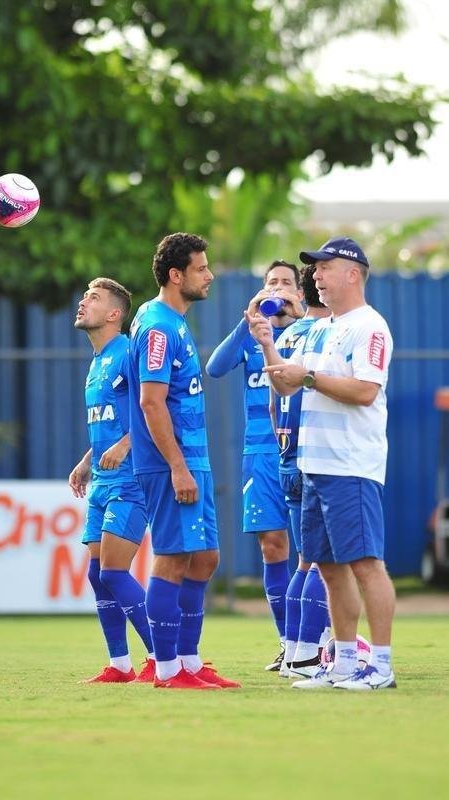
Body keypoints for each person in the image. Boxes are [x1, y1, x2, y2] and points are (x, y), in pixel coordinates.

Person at [246, 236, 396, 690]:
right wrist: (269, 346)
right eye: (314, 269)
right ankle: (345, 662)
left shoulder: (369, 326)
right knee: (328, 568)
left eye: (324, 268)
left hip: (350, 465)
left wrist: (307, 375)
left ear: (353, 274)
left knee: (366, 563)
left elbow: (366, 391)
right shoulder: (326, 328)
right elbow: (287, 387)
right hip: (314, 465)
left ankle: (382, 665)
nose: (315, 276)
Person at [128, 232, 240, 689]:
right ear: (177, 276)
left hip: (193, 458)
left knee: (206, 558)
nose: (209, 274)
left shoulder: (173, 320)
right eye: (201, 268)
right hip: (170, 463)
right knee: (173, 558)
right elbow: (151, 403)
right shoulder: (157, 326)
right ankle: (167, 668)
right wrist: (176, 466)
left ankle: (189, 662)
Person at [206, 260, 301, 673]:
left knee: (314, 553)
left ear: (300, 291)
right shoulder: (252, 335)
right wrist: (248, 323)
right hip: (260, 454)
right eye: (271, 282)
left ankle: (319, 640)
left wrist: (298, 317)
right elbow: (215, 367)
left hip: (304, 450)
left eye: (286, 283)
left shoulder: (308, 332)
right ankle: (287, 644)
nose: (277, 288)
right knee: (272, 545)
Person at [70, 277, 155, 684]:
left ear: (114, 314)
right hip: (103, 480)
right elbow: (109, 421)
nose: (84, 302)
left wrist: (126, 445)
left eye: (94, 298)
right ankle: (120, 665)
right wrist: (87, 460)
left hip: (130, 480)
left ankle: (162, 656)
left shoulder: (126, 353)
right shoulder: (97, 360)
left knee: (115, 572)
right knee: (96, 573)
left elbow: (155, 409)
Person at [270, 265, 332, 678]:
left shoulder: (287, 335)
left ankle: (294, 650)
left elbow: (275, 401)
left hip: (287, 457)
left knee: (303, 562)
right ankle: (309, 654)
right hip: (317, 459)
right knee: (321, 562)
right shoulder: (329, 333)